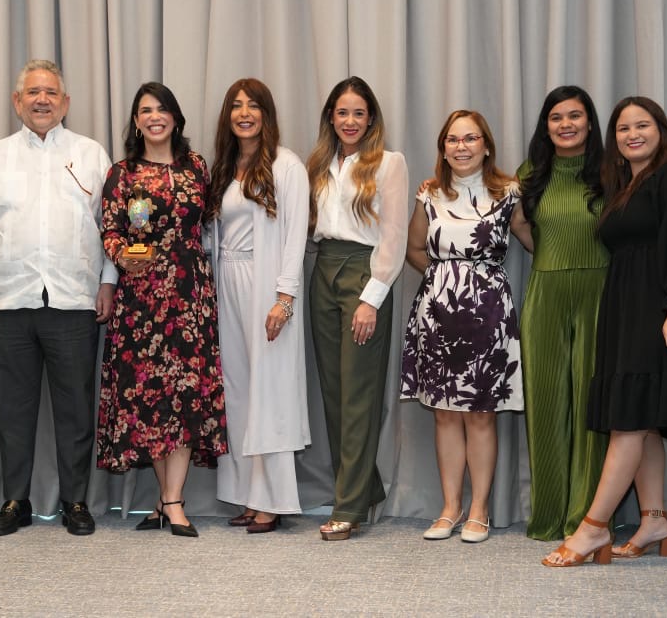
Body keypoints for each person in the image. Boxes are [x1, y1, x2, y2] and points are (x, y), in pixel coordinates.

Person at [543, 97, 667, 567]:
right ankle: (654, 520)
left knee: (629, 420)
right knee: (643, 418)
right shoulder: (625, 186)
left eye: (642, 125)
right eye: (623, 128)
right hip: (627, 309)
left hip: (663, 309)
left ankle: (593, 528)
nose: (632, 135)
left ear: (661, 130)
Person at [0, 59, 116, 536]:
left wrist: (108, 281)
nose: (41, 100)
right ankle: (15, 500)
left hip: (74, 302)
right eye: (32, 92)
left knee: (76, 410)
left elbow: (113, 225)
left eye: (51, 93)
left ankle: (75, 501)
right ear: (16, 101)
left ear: (65, 103)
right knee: (12, 411)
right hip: (9, 303)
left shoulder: (91, 154)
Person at [98, 82, 227, 538]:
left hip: (190, 293)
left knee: (186, 392)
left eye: (162, 109)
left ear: (175, 117)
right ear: (136, 122)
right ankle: (170, 500)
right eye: (145, 110)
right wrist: (122, 256)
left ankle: (170, 500)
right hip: (141, 298)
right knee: (151, 398)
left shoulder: (197, 167)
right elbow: (111, 230)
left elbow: (210, 223)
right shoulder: (122, 173)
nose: (154, 117)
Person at [401, 110, 530, 543]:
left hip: (488, 312)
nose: (461, 146)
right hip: (438, 314)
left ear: (486, 145)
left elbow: (534, 241)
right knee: (444, 414)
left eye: (470, 138)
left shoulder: (509, 192)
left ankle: (479, 510)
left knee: (479, 414)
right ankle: (450, 507)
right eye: (453, 140)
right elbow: (414, 248)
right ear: (443, 148)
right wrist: (445, 281)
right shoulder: (429, 193)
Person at [207, 78, 311, 534]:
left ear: (267, 114)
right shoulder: (225, 167)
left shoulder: (286, 166)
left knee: (270, 390)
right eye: (236, 105)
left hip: (265, 285)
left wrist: (284, 299)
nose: (244, 113)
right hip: (226, 282)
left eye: (253, 105)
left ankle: (273, 499)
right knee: (238, 389)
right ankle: (248, 495)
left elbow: (294, 237)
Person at [307, 76, 408, 541]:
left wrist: (371, 298)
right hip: (323, 272)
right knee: (333, 393)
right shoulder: (318, 165)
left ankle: (347, 506)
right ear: (331, 117)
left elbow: (394, 237)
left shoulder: (388, 163)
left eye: (359, 113)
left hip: (363, 275)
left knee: (359, 394)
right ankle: (363, 489)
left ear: (371, 120)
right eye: (342, 112)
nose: (350, 121)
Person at [517, 86, 609, 541]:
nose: (566, 124)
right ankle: (549, 515)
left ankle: (585, 519)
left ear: (590, 122)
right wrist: (549, 255)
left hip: (600, 293)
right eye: (556, 117)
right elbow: (519, 224)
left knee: (592, 405)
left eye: (575, 115)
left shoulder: (611, 172)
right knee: (546, 402)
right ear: (546, 125)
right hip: (545, 294)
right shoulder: (530, 173)